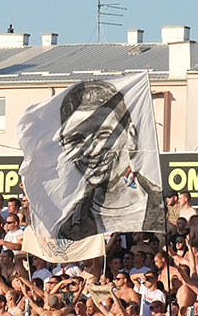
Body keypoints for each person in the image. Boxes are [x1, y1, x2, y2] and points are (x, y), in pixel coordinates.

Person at [51, 79, 164, 239]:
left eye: (103, 135)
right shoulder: (67, 224)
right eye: (77, 140)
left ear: (130, 136)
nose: (92, 150)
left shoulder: (160, 207)